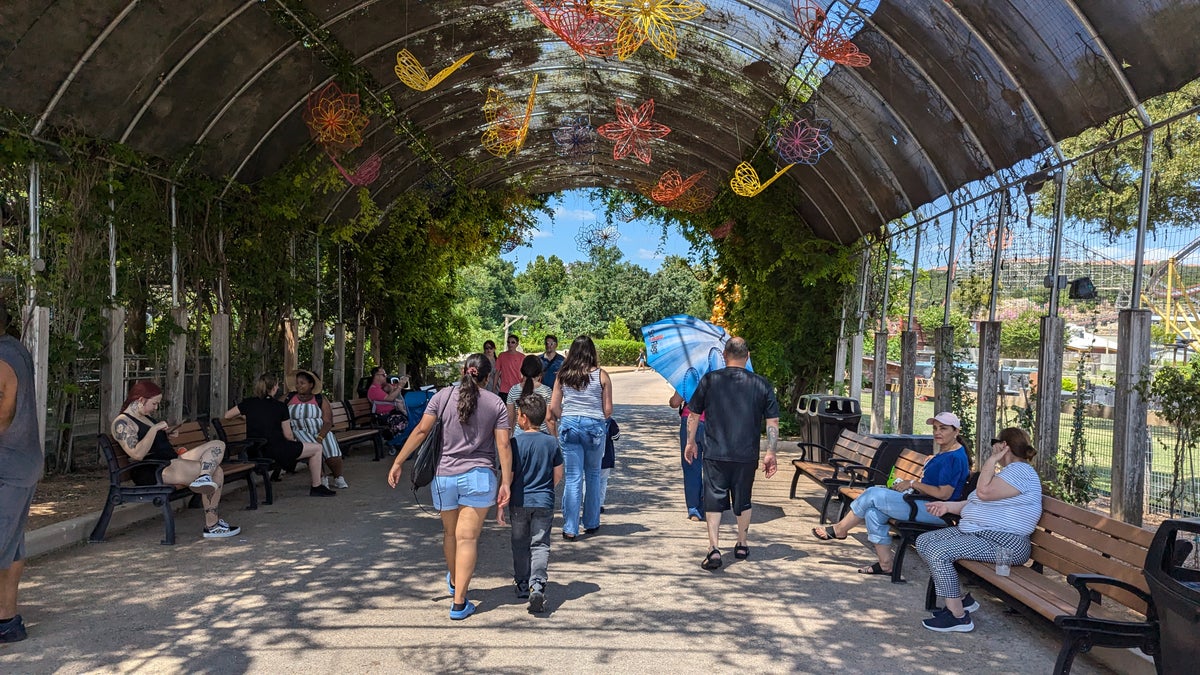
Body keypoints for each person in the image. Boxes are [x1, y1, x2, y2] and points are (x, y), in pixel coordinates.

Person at [387, 353, 512, 621]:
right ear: (488, 377)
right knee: (467, 538)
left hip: (444, 477)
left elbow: (421, 431)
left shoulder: (442, 396)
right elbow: (503, 445)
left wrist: (398, 462)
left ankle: (455, 580)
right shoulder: (495, 403)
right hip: (480, 476)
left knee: (450, 534)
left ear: (462, 371)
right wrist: (506, 482)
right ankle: (458, 603)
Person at [810, 411, 971, 575]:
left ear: (956, 431)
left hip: (937, 510)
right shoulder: (946, 452)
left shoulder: (955, 457)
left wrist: (913, 483)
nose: (937, 432)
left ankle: (840, 529)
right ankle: (886, 565)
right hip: (920, 501)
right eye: (935, 428)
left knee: (873, 494)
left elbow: (944, 494)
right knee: (873, 512)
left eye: (943, 428)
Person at [916, 427, 1042, 633]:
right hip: (978, 533)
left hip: (1005, 543)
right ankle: (959, 601)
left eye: (996, 441)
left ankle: (959, 617)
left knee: (938, 552)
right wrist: (947, 507)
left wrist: (992, 460)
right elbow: (976, 502)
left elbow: (983, 493)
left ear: (1004, 446)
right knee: (924, 542)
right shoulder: (1009, 474)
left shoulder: (1022, 471)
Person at [685, 337, 779, 570]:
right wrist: (771, 452)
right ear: (747, 357)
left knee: (713, 501)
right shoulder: (761, 384)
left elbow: (693, 415)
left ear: (724, 356)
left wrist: (690, 442)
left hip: (716, 452)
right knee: (743, 499)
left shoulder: (710, 380)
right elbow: (773, 421)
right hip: (746, 454)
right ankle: (742, 543)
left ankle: (714, 549)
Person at [111, 380, 240, 539]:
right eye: (154, 403)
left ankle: (203, 477)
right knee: (217, 472)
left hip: (170, 460)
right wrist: (154, 429)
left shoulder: (145, 416)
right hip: (153, 468)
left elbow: (154, 442)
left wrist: (166, 434)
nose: (156, 408)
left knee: (217, 445)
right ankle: (212, 525)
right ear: (140, 400)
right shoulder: (122, 422)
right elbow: (136, 454)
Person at [225, 374, 336, 497]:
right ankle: (317, 486)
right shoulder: (280, 406)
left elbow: (227, 416)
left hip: (254, 450)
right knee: (317, 448)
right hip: (276, 450)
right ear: (274, 388)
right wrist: (294, 441)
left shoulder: (248, 403)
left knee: (303, 449)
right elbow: (288, 435)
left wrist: (245, 416)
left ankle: (317, 484)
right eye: (277, 385)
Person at [0, 304, 38, 643]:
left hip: (7, 465)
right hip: (20, 463)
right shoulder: (16, 349)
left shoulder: (1, 358)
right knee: (11, 546)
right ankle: (7, 621)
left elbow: (3, 414)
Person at [550, 335, 613, 541]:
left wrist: (566, 418)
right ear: (591, 352)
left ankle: (570, 527)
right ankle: (592, 522)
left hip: (569, 424)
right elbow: (608, 410)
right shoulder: (602, 376)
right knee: (593, 474)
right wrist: (594, 419)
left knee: (573, 477)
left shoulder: (563, 375)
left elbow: (554, 407)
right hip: (594, 425)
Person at [506, 394, 563, 613]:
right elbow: (558, 473)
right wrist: (547, 488)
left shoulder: (514, 443)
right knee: (540, 544)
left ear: (523, 418)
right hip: (544, 501)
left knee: (519, 543)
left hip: (519, 501)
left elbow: (509, 475)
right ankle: (537, 584)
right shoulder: (551, 442)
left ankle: (521, 583)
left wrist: (504, 497)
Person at [286, 370, 347, 489]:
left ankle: (338, 477)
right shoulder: (288, 398)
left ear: (311, 385)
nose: (298, 386)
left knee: (332, 452)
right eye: (297, 383)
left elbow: (328, 421)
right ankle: (321, 478)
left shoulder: (320, 399)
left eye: (302, 383)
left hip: (320, 430)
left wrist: (320, 437)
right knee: (312, 449)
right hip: (298, 432)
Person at [669, 391, 705, 522]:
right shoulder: (720, 375)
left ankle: (694, 509)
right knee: (713, 465)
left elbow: (674, 402)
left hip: (689, 421)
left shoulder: (689, 375)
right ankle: (710, 502)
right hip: (715, 423)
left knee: (690, 465)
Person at [507, 355, 554, 436]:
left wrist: (509, 436)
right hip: (541, 433)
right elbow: (548, 419)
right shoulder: (547, 391)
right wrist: (554, 438)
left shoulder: (513, 390)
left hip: (520, 433)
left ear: (522, 371)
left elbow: (510, 417)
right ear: (540, 373)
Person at [366, 366, 410, 438]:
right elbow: (390, 398)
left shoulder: (381, 388)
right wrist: (399, 387)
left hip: (391, 413)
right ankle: (398, 444)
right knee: (402, 421)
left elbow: (392, 392)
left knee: (411, 417)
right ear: (376, 376)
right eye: (383, 375)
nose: (385, 377)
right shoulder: (374, 390)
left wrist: (396, 386)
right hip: (383, 416)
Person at [495, 334, 524, 403]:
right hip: (504, 390)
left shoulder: (522, 357)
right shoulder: (501, 355)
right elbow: (497, 373)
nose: (510, 344)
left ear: (517, 344)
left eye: (513, 342)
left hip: (517, 389)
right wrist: (494, 388)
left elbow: (524, 375)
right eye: (508, 342)